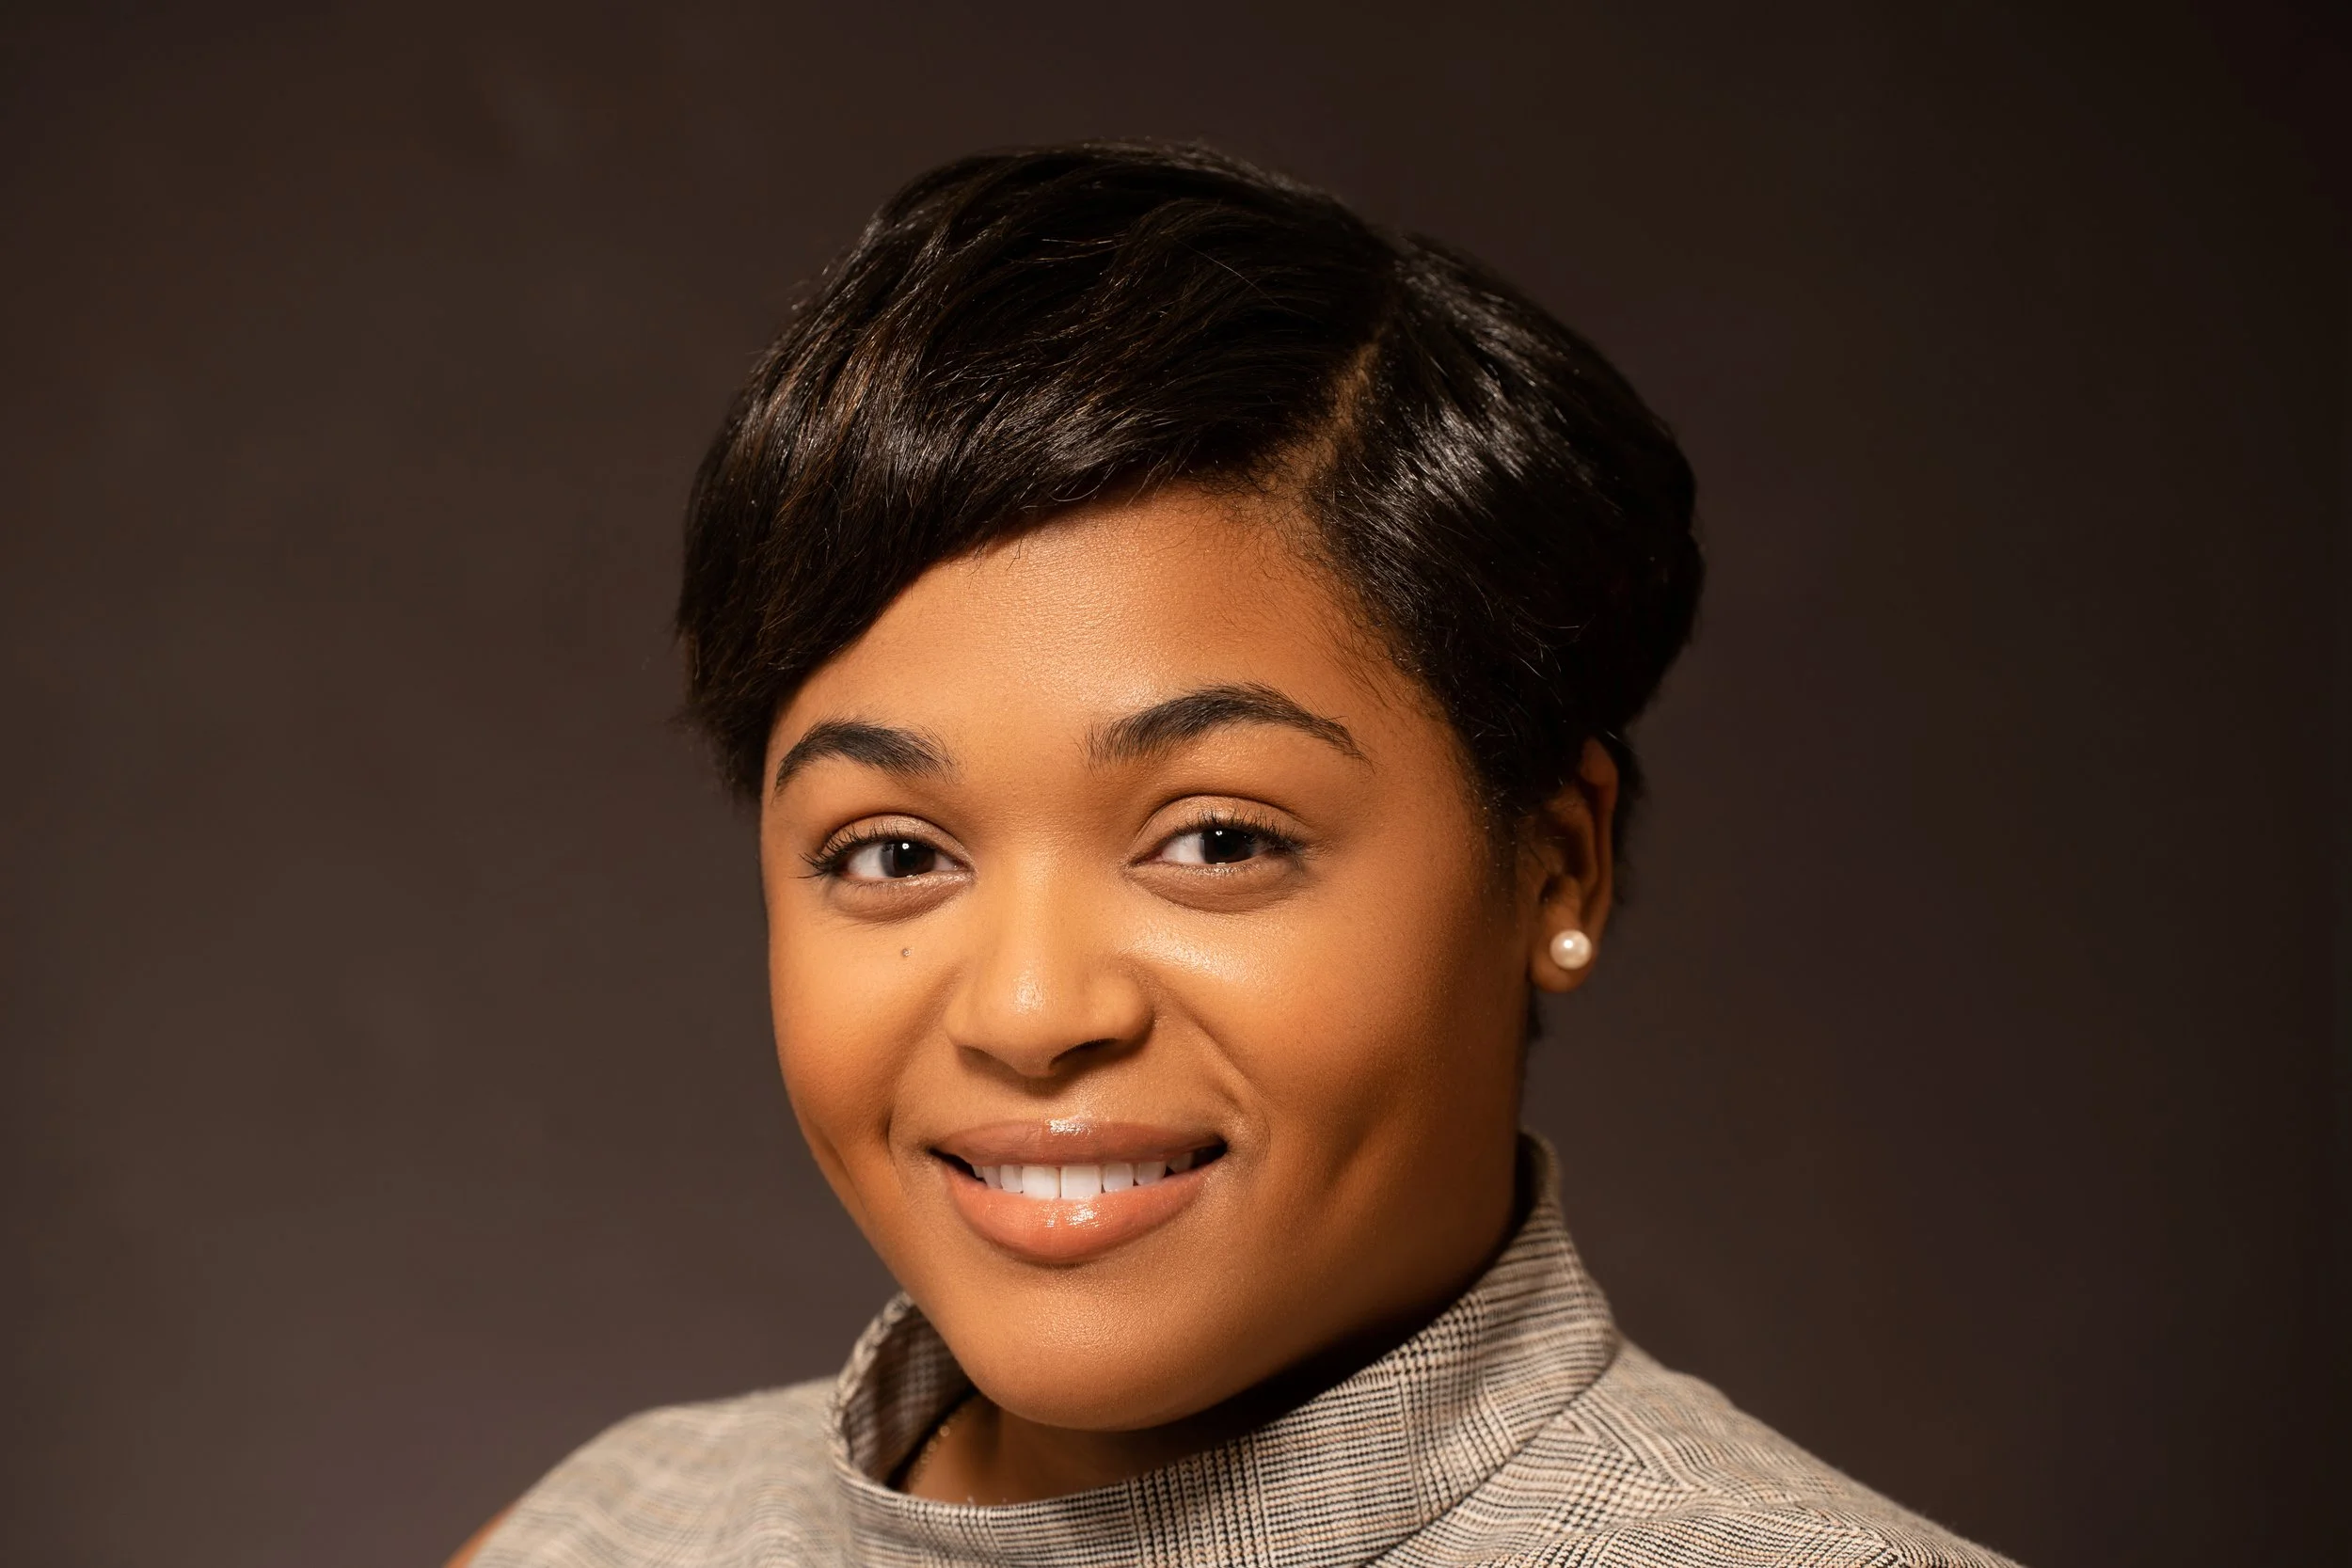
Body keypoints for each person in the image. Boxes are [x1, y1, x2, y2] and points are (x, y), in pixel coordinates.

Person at [454, 141, 2018, 1568]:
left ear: (1557, 866)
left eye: (1214, 837)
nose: (1026, 1007)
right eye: (890, 851)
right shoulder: (602, 1536)